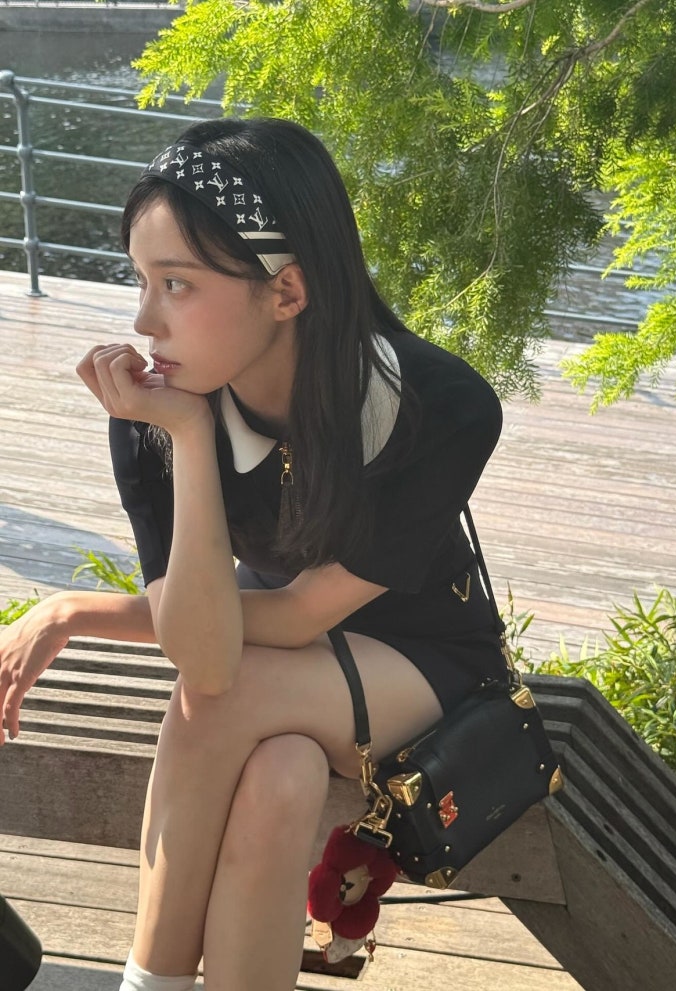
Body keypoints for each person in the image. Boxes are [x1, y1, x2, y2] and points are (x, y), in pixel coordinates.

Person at [0, 117, 508, 990]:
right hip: (267, 661)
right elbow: (202, 641)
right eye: (140, 280)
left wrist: (80, 610)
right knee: (279, 777)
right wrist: (190, 439)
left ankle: (147, 981)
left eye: (176, 283)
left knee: (222, 697)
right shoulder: (157, 419)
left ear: (287, 290)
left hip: (427, 665)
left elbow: (263, 634)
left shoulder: (435, 404)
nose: (144, 319)